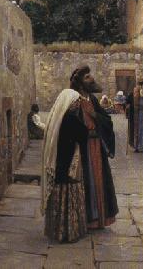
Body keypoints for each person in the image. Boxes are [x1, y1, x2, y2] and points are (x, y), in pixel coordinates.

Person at [68, 65, 118, 229]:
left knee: (99, 179)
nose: (92, 79)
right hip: (82, 148)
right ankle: (88, 219)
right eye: (87, 77)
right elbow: (69, 125)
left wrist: (96, 116)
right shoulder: (74, 100)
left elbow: (106, 119)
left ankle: (100, 218)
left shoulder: (93, 99)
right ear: (81, 82)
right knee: (86, 180)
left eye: (90, 75)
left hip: (97, 146)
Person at [42, 88, 88, 242]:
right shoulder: (71, 119)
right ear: (69, 104)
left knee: (59, 195)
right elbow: (83, 135)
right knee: (68, 196)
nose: (77, 105)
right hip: (68, 164)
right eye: (75, 102)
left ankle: (57, 231)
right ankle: (69, 232)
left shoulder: (58, 118)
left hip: (59, 163)